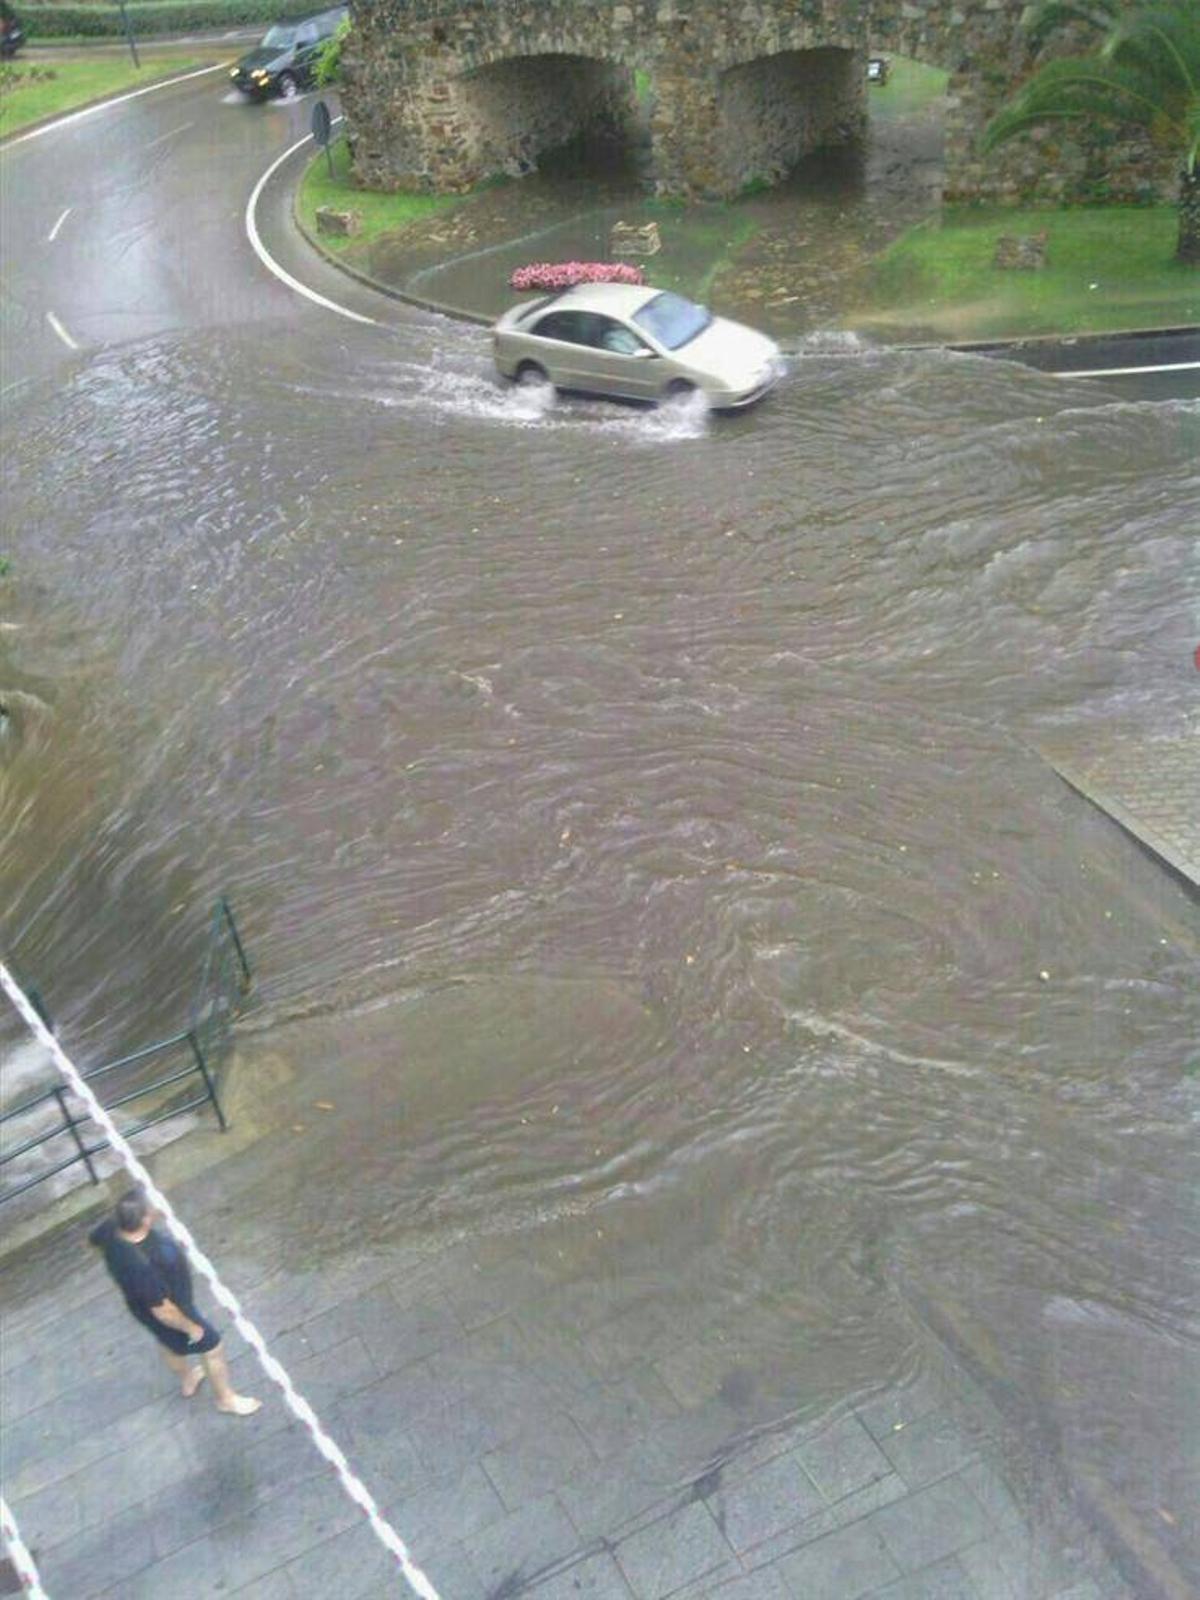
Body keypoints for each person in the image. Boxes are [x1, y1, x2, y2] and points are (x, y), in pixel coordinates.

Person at [89, 1187, 261, 1416]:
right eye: (153, 1205)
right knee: (213, 1346)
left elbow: (92, 1240)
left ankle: (188, 1379)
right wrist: (193, 1329)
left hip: (139, 1307)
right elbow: (164, 1311)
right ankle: (226, 1399)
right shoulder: (141, 1266)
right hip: (173, 1308)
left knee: (166, 1340)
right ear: (145, 1219)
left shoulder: (111, 1230)